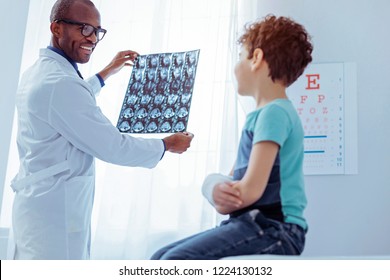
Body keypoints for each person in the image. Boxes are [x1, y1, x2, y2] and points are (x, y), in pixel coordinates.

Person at [9, 0, 194, 260]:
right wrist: (165, 145)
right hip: (55, 217)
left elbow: (68, 108)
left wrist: (106, 73)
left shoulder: (40, 73)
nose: (93, 38)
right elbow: (113, 146)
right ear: (57, 28)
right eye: (84, 29)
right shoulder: (60, 83)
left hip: (39, 207)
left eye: (98, 31)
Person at [151, 14, 313, 260]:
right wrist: (213, 187)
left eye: (240, 57)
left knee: (173, 261)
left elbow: (247, 193)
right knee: (160, 256)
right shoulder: (266, 114)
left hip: (276, 228)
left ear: (256, 58)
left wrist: (214, 188)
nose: (236, 67)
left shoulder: (274, 113)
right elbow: (233, 178)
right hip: (256, 224)